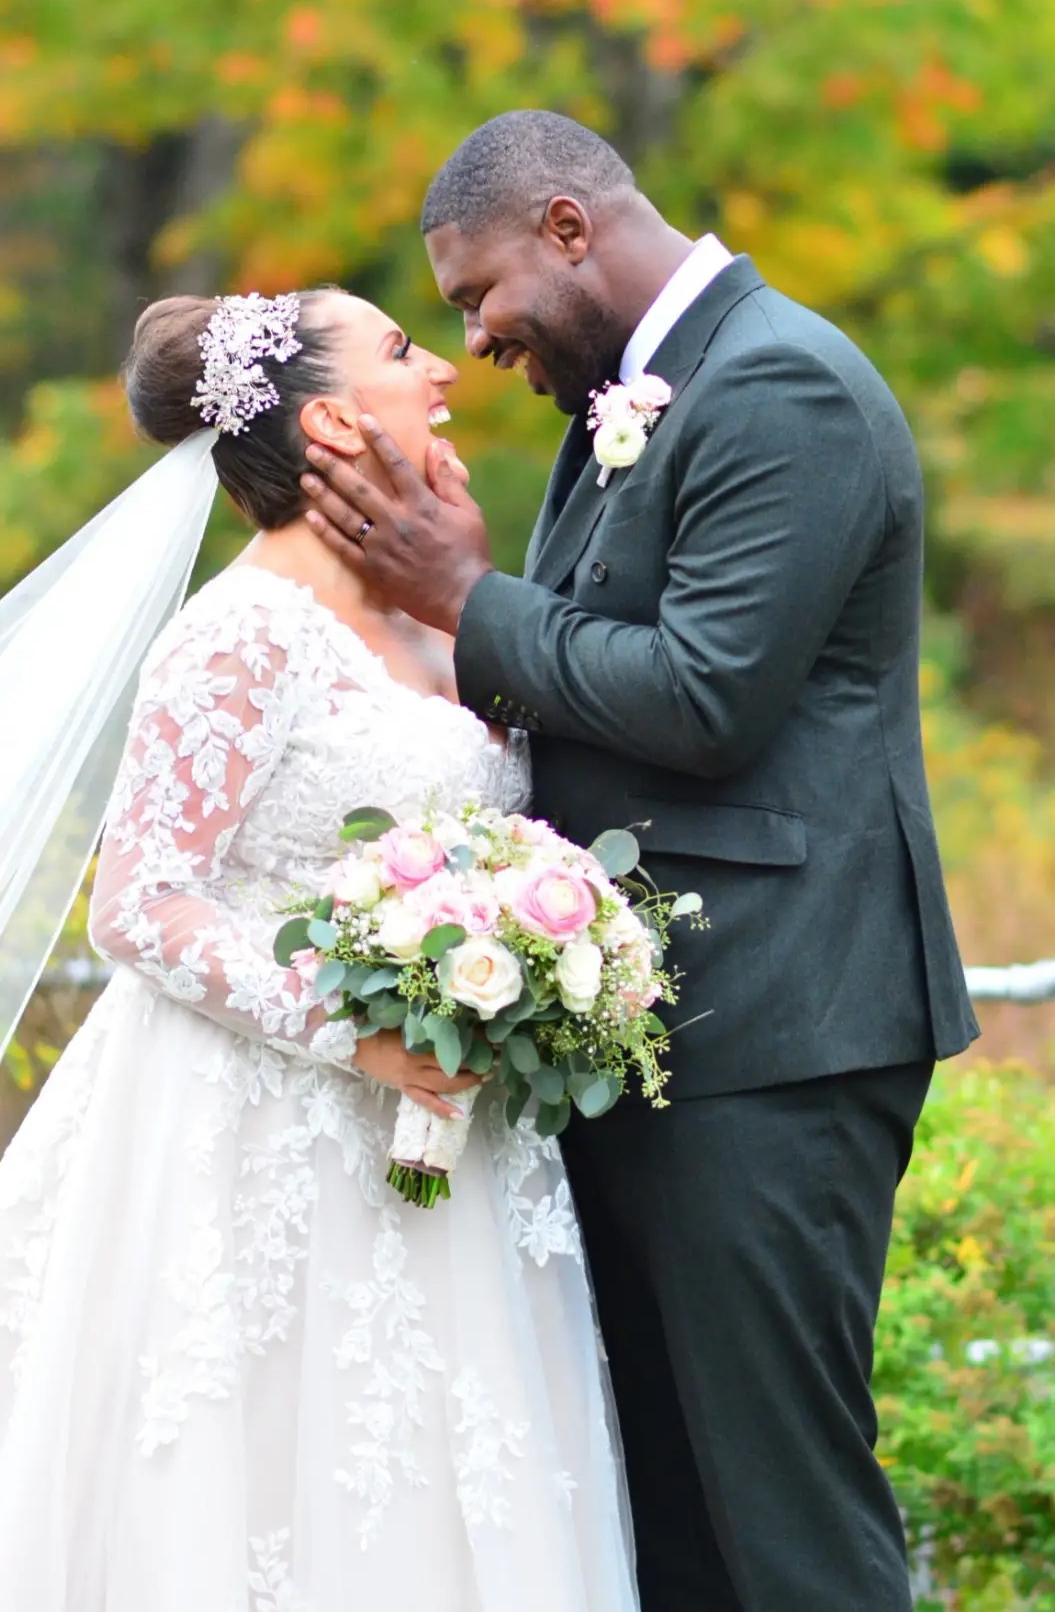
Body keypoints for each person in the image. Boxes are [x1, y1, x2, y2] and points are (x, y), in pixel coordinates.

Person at [299, 109, 981, 1612]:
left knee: (785, 1513)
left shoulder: (783, 385)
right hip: (668, 1032)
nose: (475, 336)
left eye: (479, 296)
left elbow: (704, 696)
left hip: (782, 1035)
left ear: (566, 228)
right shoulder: (632, 397)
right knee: (663, 1507)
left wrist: (467, 596)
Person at [0, 288, 640, 1612]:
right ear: (338, 418)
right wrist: (363, 1031)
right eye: (404, 352)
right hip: (254, 1135)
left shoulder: (430, 617)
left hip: (445, 1143)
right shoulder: (242, 630)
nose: (444, 370)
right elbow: (141, 901)